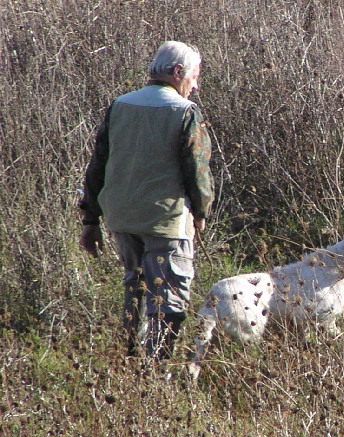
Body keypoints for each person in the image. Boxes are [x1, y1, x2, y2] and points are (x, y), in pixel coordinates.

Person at [79, 41, 214, 361]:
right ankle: (157, 374)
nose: (195, 85)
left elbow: (97, 165)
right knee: (168, 302)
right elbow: (198, 170)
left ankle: (132, 367)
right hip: (167, 222)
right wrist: (201, 212)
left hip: (123, 219)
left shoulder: (120, 105)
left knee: (135, 293)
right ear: (178, 73)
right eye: (194, 76)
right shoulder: (185, 111)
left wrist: (90, 220)